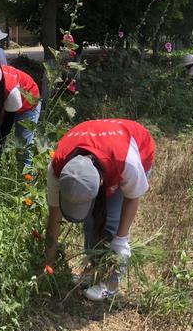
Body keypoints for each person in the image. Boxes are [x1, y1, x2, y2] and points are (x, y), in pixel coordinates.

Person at [44, 119, 156, 301]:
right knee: (90, 222)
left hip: (135, 147)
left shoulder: (126, 162)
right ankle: (94, 270)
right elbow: (54, 216)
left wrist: (121, 240)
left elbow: (132, 197)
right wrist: (48, 262)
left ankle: (111, 283)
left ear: (101, 184)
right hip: (101, 146)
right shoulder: (57, 167)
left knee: (111, 221)